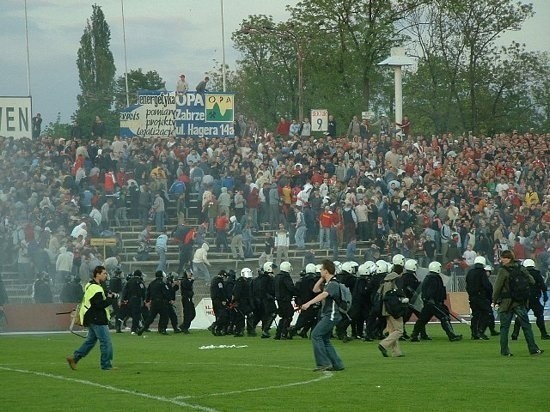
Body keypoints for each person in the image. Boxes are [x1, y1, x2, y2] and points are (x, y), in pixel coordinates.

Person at [492, 250, 543, 356]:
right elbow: (532, 281)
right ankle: (533, 349)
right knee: (526, 326)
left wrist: (494, 300)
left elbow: (497, 287)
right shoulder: (521, 268)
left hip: (506, 303)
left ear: (508, 258)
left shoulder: (503, 271)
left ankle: (505, 352)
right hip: (520, 302)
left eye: (502, 258)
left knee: (504, 328)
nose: (501, 260)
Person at [66, 266, 116, 370]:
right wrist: (110, 299)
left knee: (90, 341)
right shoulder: (96, 288)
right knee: (106, 342)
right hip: (97, 318)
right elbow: (99, 304)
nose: (105, 275)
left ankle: (75, 358)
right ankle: (106, 365)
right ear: (97, 274)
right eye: (104, 273)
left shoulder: (90, 285)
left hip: (91, 317)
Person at [300, 259, 345, 372]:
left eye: (321, 269)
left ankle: (323, 363)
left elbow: (323, 295)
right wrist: (322, 278)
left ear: (326, 271)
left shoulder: (333, 284)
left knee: (316, 335)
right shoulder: (328, 283)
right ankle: (337, 364)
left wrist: (308, 303)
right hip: (328, 314)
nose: (320, 271)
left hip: (331, 314)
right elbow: (315, 289)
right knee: (324, 339)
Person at [410, 261, 463, 342]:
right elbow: (431, 292)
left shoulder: (429, 277)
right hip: (434, 303)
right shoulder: (434, 278)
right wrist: (432, 300)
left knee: (422, 320)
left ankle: (414, 335)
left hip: (430, 303)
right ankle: (452, 336)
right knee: (444, 317)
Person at [511, 259, 550, 340]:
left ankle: (515, 333)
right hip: (535, 298)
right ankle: (543, 333)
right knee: (539, 315)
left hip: (525, 298)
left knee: (521, 316)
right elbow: (542, 286)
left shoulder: (521, 274)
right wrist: (545, 295)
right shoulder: (537, 274)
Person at [378, 254, 406, 357]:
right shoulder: (397, 279)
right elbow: (400, 293)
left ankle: (396, 352)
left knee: (392, 331)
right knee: (399, 330)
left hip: (385, 307)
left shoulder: (386, 278)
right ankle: (383, 344)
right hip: (395, 308)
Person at [465, 256, 493, 340]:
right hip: (481, 297)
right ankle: (481, 331)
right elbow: (487, 286)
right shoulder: (482, 273)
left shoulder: (470, 272)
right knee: (487, 313)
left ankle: (474, 333)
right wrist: (489, 296)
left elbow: (467, 285)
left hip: (472, 297)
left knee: (475, 315)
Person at [138, 270, 171, 335]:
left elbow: (148, 293)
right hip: (162, 302)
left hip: (154, 302)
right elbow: (166, 293)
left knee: (151, 317)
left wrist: (147, 301)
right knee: (164, 316)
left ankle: (143, 328)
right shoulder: (162, 283)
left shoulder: (152, 283)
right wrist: (169, 299)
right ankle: (162, 329)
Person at [179, 269, 196, 333]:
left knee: (192, 314)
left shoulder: (187, 281)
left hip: (189, 299)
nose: (190, 275)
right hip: (186, 299)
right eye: (189, 273)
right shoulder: (184, 281)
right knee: (188, 314)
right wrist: (192, 281)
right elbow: (187, 286)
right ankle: (185, 327)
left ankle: (184, 325)